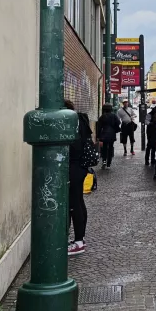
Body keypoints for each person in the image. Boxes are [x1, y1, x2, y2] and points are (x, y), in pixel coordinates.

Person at [65, 99, 89, 256]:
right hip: (80, 167)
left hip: (73, 167)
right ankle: (80, 239)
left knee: (74, 204)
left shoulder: (72, 124)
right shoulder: (80, 120)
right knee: (78, 202)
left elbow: (74, 146)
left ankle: (79, 242)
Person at [96, 103, 122, 168]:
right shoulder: (114, 116)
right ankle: (109, 162)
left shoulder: (102, 117)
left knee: (104, 148)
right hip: (112, 134)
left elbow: (99, 127)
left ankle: (104, 161)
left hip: (104, 134)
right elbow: (118, 123)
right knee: (110, 147)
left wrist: (98, 136)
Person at [145, 98, 156, 166]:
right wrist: (152, 123)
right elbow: (146, 122)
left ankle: (152, 160)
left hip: (155, 132)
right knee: (149, 146)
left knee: (153, 146)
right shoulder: (149, 115)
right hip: (150, 132)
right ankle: (147, 160)